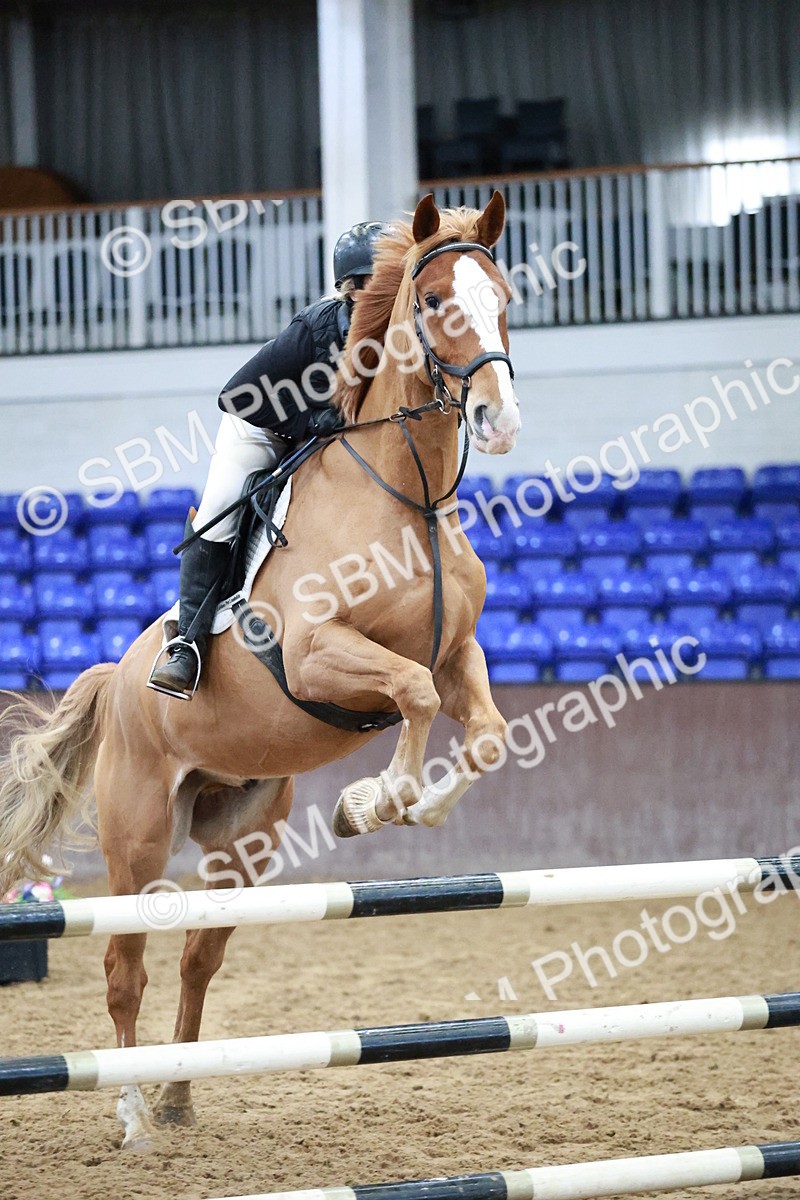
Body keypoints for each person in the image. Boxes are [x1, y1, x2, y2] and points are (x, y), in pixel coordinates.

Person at [147, 221, 388, 700]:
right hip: (259, 427)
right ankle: (188, 645)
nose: (379, 295)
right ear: (348, 287)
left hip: (327, 437)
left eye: (388, 284)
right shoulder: (313, 330)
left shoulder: (400, 334)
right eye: (369, 285)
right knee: (220, 511)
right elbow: (236, 394)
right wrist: (309, 420)